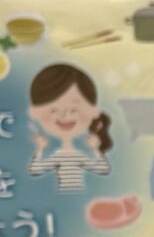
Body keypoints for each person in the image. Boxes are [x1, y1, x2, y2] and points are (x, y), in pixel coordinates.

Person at [27, 61, 113, 195]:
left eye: (74, 110)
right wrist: (39, 149)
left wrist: (96, 149)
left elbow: (103, 169)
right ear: (36, 112)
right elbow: (35, 170)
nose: (65, 116)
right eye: (54, 110)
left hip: (81, 197)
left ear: (93, 111)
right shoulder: (58, 156)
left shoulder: (78, 156)